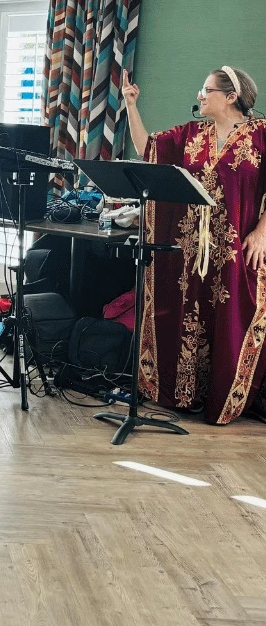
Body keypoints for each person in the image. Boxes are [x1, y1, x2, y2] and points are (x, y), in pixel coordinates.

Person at [123, 65, 266, 424]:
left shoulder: (262, 135)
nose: (199, 96)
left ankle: (223, 400)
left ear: (230, 97)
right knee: (187, 316)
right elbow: (147, 149)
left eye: (206, 90)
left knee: (231, 320)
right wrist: (130, 106)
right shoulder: (189, 134)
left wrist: (263, 231)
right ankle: (184, 396)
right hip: (188, 252)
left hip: (235, 250)